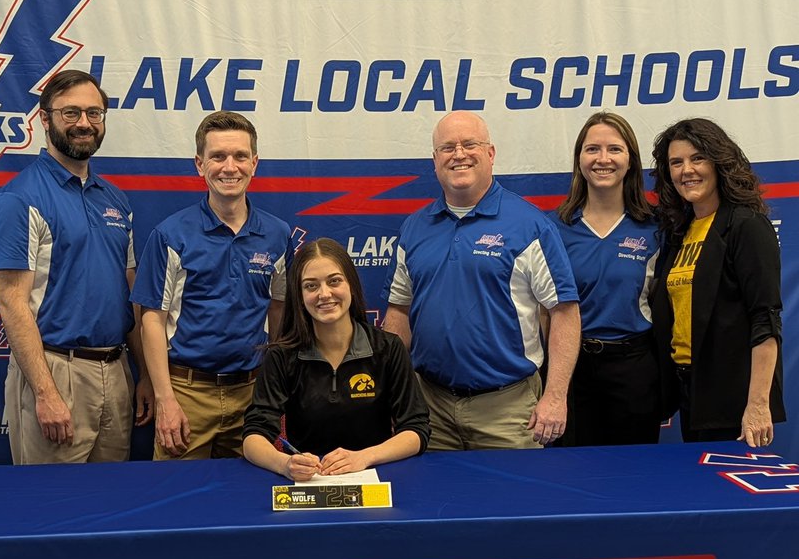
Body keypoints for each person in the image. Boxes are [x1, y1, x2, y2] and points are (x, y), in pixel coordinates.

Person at [382, 110, 580, 449]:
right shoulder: (414, 228)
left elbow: (564, 312)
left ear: (490, 153)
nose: (459, 154)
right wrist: (394, 392)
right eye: (447, 148)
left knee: (516, 487)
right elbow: (399, 311)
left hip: (508, 411)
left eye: (469, 144)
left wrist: (555, 395)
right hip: (429, 408)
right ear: (435, 160)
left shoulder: (530, 226)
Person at [0, 68, 153, 464]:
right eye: (71, 113)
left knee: (110, 495)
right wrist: (45, 393)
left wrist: (144, 374)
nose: (84, 123)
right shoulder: (19, 199)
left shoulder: (115, 200)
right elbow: (12, 303)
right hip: (55, 369)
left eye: (94, 113)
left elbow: (129, 294)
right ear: (45, 119)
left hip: (115, 370)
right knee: (52, 499)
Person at [132, 110, 292, 460]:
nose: (229, 167)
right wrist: (165, 398)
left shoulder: (278, 235)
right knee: (178, 492)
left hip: (251, 394)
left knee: (251, 491)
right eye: (218, 156)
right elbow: (152, 320)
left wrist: (272, 384)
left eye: (240, 156)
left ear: (254, 163)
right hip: (186, 393)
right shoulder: (170, 235)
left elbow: (279, 309)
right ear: (200, 164)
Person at [243, 238, 429, 479]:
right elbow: (253, 436)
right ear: (299, 296)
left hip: (376, 477)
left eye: (334, 281)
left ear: (351, 284)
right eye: (311, 286)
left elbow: (416, 430)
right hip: (310, 481)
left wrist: (364, 457)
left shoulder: (388, 348)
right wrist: (285, 464)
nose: (324, 294)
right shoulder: (281, 356)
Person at [650, 117, 784, 447]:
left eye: (698, 158)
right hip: (690, 391)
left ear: (719, 162)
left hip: (734, 398)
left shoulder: (746, 225)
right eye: (676, 163)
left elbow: (765, 319)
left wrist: (758, 405)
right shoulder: (679, 231)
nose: (687, 170)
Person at [553, 111, 662, 445]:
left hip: (634, 368)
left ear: (631, 161)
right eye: (592, 149)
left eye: (614, 149)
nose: (603, 159)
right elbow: (543, 310)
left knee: (634, 469)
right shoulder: (554, 228)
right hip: (572, 370)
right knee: (573, 469)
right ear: (579, 159)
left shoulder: (656, 227)